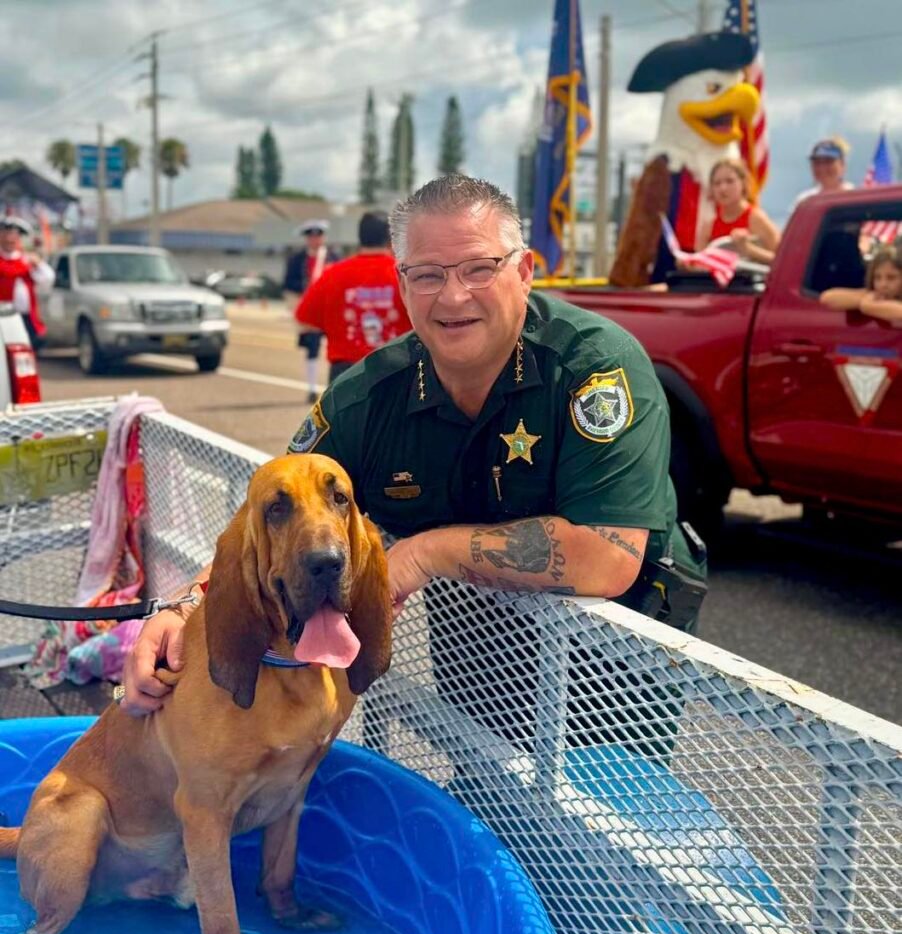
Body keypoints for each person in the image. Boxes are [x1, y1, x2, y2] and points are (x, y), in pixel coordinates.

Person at [122, 175, 706, 759]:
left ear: (525, 271)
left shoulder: (593, 368)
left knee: (602, 812)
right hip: (478, 649)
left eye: (479, 269)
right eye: (427, 275)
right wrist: (184, 607)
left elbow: (606, 555)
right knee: (481, 786)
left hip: (613, 669)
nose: (453, 297)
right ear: (402, 284)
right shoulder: (367, 400)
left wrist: (425, 553)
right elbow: (277, 514)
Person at [294, 211, 412, 384]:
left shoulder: (334, 274)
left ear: (360, 237)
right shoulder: (405, 275)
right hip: (396, 371)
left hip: (346, 376)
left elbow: (304, 319)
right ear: (390, 237)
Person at [281, 219, 338, 402]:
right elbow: (288, 283)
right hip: (311, 309)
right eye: (311, 236)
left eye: (318, 235)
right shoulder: (297, 260)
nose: (315, 239)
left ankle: (334, 388)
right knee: (312, 347)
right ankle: (312, 388)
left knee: (336, 348)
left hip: (330, 309)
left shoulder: (333, 257)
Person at [695, 158, 781, 265]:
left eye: (730, 181)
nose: (723, 188)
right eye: (717, 183)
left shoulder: (756, 218)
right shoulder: (708, 226)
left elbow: (783, 259)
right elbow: (698, 265)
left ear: (743, 183)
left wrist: (749, 249)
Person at [0, 215, 55, 345]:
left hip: (26, 318)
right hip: (3, 317)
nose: (10, 239)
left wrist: (38, 263)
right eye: (6, 234)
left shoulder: (27, 260)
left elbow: (48, 278)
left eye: (14, 235)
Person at [820, 244, 902, 322]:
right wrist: (868, 298)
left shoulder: (869, 302)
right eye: (877, 278)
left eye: (891, 278)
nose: (883, 284)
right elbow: (827, 298)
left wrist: (868, 305)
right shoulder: (873, 294)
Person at [791, 137, 854, 212]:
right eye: (817, 163)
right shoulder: (805, 201)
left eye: (828, 162)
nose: (822, 168)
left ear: (842, 165)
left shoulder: (855, 198)